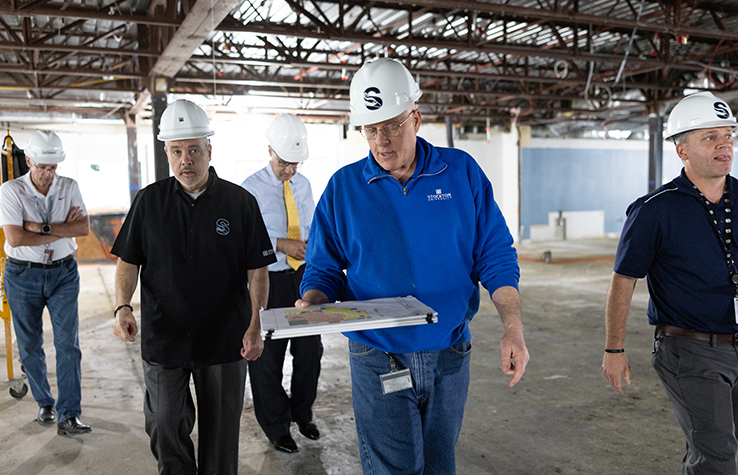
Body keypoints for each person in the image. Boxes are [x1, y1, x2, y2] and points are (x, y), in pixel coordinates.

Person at [297, 57, 530, 475]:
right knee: (394, 470)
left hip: (449, 353)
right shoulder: (343, 189)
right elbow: (323, 268)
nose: (381, 140)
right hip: (377, 354)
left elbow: (495, 255)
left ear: (416, 119)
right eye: (371, 129)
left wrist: (513, 327)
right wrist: (315, 303)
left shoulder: (460, 173)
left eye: (392, 126)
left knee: (440, 466)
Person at [602, 91, 738, 474]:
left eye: (728, 135)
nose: (724, 145)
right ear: (682, 151)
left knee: (713, 448)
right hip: (688, 347)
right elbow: (624, 280)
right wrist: (614, 349)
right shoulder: (654, 210)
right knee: (718, 455)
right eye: (710, 137)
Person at [110, 99, 276, 474]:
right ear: (166, 152)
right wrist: (122, 307)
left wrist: (256, 323)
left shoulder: (239, 203)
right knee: (165, 425)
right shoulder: (149, 202)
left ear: (209, 150)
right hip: (164, 338)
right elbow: (128, 261)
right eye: (177, 151)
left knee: (221, 437)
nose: (187, 160)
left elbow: (258, 271)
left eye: (194, 150)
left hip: (224, 339)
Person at [0, 129, 92, 436]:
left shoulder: (69, 187)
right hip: (23, 274)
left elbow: (83, 228)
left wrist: (40, 227)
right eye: (41, 167)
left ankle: (69, 414)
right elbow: (15, 237)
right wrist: (62, 230)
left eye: (52, 168)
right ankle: (44, 402)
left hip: (63, 273)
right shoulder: (11, 190)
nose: (47, 175)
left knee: (68, 345)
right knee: (30, 345)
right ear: (28, 161)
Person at [241, 114, 322, 454]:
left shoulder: (302, 185)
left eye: (296, 164)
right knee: (267, 359)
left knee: (309, 353)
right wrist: (282, 244)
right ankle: (276, 426)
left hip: (302, 278)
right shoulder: (250, 188)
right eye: (284, 162)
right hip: (267, 281)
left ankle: (301, 413)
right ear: (270, 150)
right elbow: (243, 239)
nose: (290, 170)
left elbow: (311, 224)